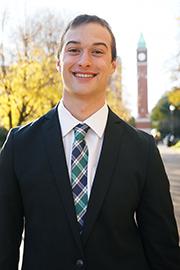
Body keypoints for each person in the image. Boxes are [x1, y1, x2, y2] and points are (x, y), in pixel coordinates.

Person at [0, 14, 179, 270]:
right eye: (74, 50)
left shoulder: (143, 149)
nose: (84, 61)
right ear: (58, 61)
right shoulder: (19, 145)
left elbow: (164, 249)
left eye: (97, 51)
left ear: (113, 65)